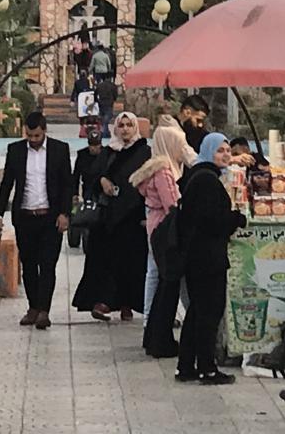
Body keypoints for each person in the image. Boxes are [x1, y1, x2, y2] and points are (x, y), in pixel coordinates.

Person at [176, 132, 247, 385]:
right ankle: (207, 367)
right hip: (207, 257)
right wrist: (237, 219)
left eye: (228, 150)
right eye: (220, 150)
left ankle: (186, 366)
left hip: (197, 257)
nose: (226, 154)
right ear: (207, 152)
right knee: (208, 312)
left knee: (197, 311)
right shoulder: (207, 180)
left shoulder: (198, 176)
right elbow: (212, 221)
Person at [0, 111, 72, 330]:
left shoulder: (59, 150)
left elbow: (68, 184)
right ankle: (33, 307)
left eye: (37, 135)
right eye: (29, 135)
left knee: (47, 265)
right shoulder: (15, 150)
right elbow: (7, 183)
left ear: (44, 131)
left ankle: (44, 311)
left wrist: (65, 213)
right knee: (28, 265)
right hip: (25, 217)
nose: (33, 140)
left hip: (50, 218)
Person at [73, 111, 150, 321]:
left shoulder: (144, 152)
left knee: (131, 263)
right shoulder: (109, 152)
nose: (125, 129)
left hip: (133, 217)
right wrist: (102, 181)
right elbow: (94, 176)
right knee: (105, 261)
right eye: (121, 125)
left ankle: (128, 303)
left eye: (129, 125)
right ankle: (104, 301)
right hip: (108, 219)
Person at [132, 122, 195, 355]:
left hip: (155, 227)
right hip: (164, 231)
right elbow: (172, 204)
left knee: (156, 275)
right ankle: (157, 325)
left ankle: (151, 322)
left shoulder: (159, 168)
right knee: (163, 279)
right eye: (179, 144)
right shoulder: (164, 172)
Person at [94, 72, 119, 137]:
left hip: (101, 103)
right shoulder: (113, 85)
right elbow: (115, 94)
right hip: (109, 103)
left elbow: (95, 93)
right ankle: (104, 132)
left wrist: (96, 100)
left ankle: (106, 131)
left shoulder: (100, 85)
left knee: (103, 118)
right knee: (107, 117)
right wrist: (114, 99)